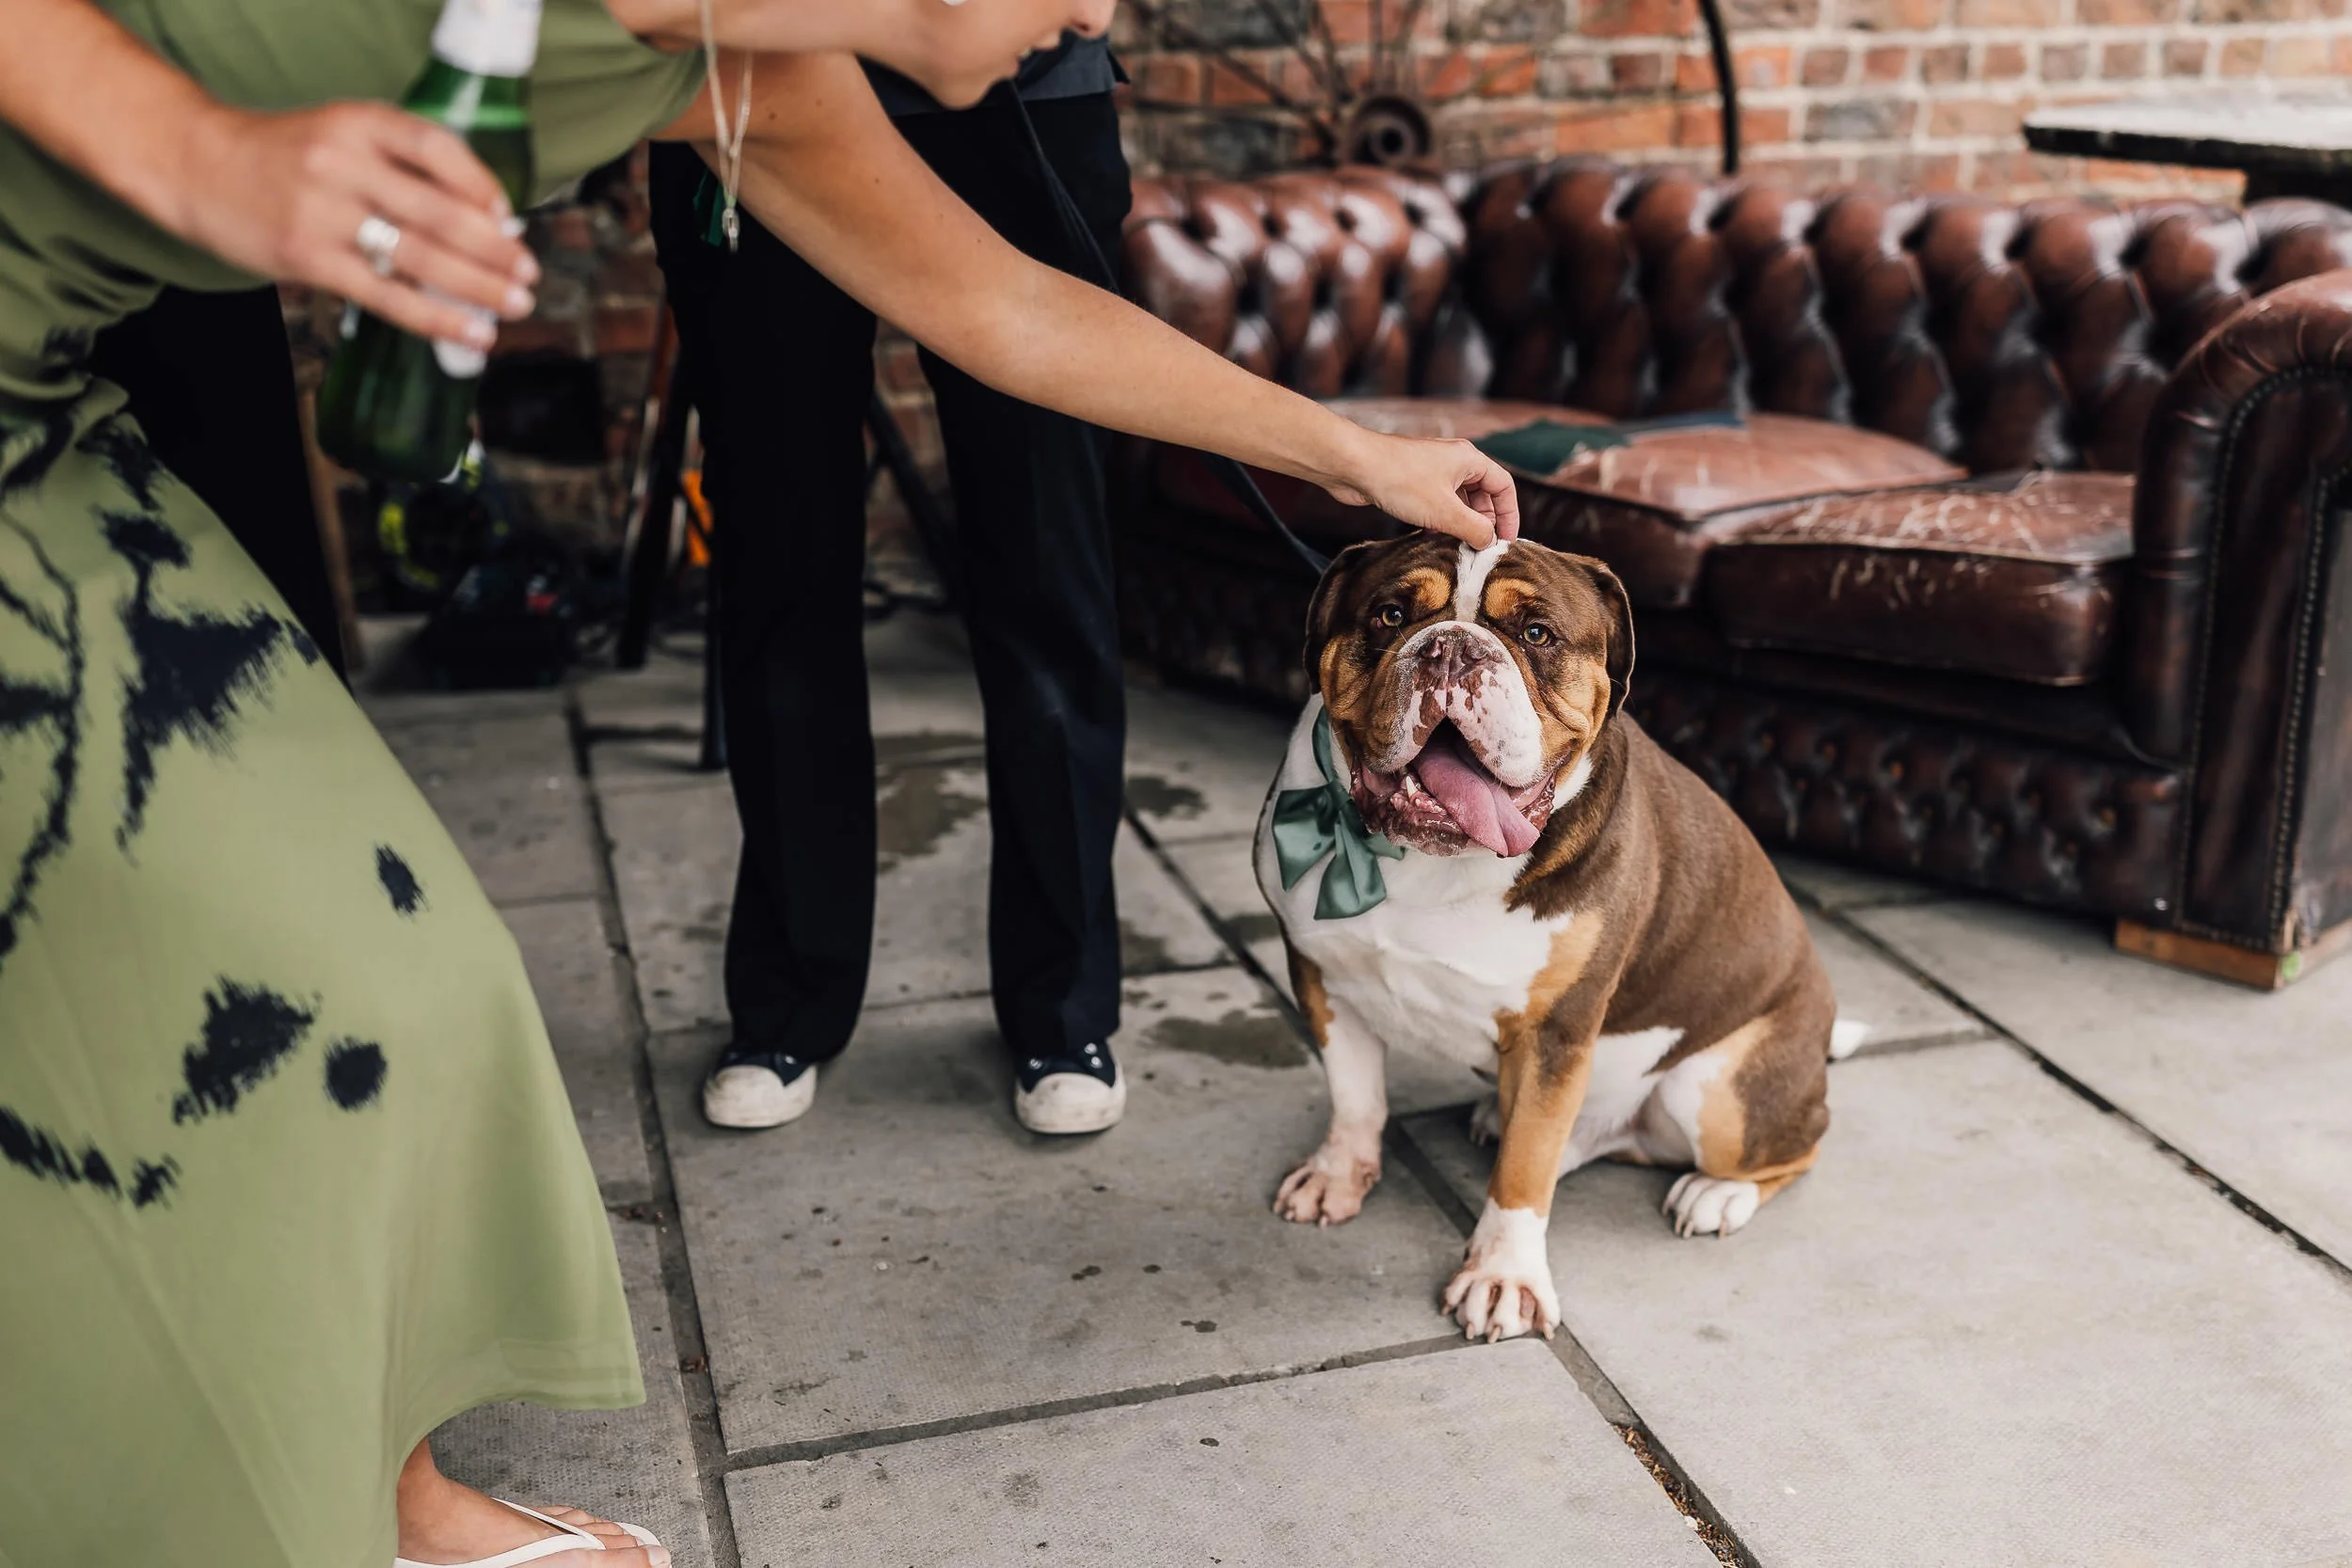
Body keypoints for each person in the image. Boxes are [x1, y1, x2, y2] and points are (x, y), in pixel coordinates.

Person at [0, 1, 1516, 1564]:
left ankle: (392, 1497)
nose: (1096, 23)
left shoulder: (756, 75)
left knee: (399, 981)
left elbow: (1014, 312)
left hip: (40, 430)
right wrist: (200, 156)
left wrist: (1362, 458)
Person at [647, 38, 1140, 1140]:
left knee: (1047, 563)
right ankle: (785, 998)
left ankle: (1064, 1007)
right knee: (777, 555)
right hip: (752, 82)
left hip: (1016, 91)